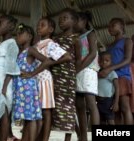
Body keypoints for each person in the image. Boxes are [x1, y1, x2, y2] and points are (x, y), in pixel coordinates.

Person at [35, 16, 70, 141]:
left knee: (46, 111)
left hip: (45, 80)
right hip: (36, 80)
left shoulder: (50, 44)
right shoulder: (38, 44)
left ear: (50, 29)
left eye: (42, 25)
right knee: (38, 111)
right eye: (38, 25)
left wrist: (49, 63)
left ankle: (45, 138)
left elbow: (67, 57)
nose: (39, 27)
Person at [51, 8, 81, 141]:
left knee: (68, 107)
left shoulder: (76, 39)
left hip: (68, 78)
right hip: (54, 75)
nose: (61, 21)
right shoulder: (55, 39)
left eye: (65, 18)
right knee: (53, 105)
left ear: (74, 21)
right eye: (60, 18)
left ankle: (67, 138)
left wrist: (74, 74)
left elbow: (78, 59)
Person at [0, 14, 20, 141]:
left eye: (0, 23)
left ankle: (4, 138)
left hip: (4, 85)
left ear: (11, 26)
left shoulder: (11, 44)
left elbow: (11, 68)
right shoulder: (1, 44)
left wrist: (4, 87)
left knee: (3, 112)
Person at [100, 18, 133, 125]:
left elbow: (127, 59)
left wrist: (110, 68)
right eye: (109, 26)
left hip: (123, 77)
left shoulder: (127, 41)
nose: (110, 28)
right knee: (115, 109)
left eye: (113, 25)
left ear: (122, 26)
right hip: (110, 80)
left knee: (124, 107)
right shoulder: (109, 46)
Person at [75, 11, 100, 141]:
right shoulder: (76, 37)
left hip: (88, 70)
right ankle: (83, 137)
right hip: (78, 71)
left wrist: (78, 68)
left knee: (91, 103)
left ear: (84, 21)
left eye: (76, 21)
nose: (74, 24)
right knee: (79, 104)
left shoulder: (91, 33)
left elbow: (92, 54)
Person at [97, 52, 119, 125]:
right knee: (101, 120)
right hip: (98, 101)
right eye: (101, 61)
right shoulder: (98, 73)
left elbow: (117, 88)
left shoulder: (112, 73)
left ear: (111, 62)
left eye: (107, 61)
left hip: (108, 101)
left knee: (110, 119)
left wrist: (116, 103)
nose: (104, 62)